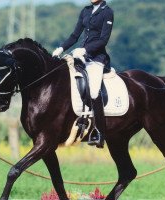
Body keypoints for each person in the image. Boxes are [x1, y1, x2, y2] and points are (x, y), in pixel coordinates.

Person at [52, 0, 114, 148]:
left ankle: (99, 132)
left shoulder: (107, 12)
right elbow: (75, 36)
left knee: (93, 92)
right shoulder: (85, 11)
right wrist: (61, 48)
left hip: (97, 59)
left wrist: (86, 50)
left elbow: (103, 40)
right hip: (82, 57)